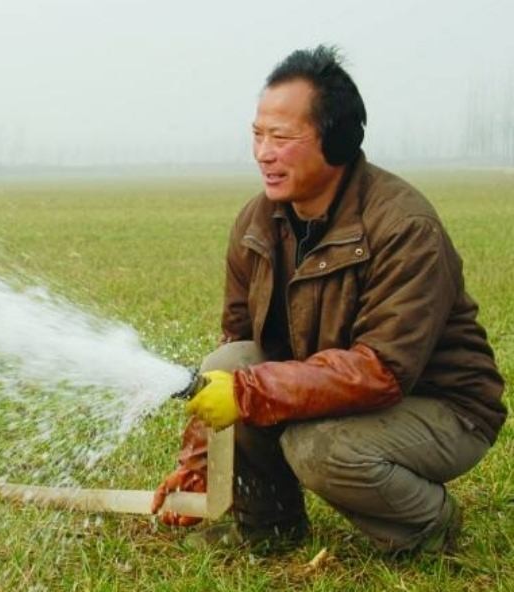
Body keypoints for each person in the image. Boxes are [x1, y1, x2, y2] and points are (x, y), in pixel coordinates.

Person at [151, 45, 506, 555]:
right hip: (341, 387)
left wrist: (251, 393)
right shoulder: (257, 223)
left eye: (282, 137)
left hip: (442, 406)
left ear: (337, 141)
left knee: (315, 446)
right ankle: (270, 527)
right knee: (230, 361)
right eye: (257, 135)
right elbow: (238, 348)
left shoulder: (404, 226)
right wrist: (200, 464)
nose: (263, 153)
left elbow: (382, 371)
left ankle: (428, 524)